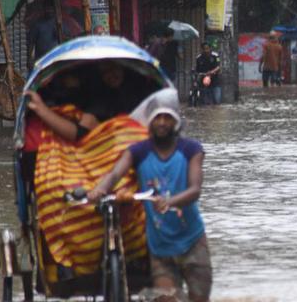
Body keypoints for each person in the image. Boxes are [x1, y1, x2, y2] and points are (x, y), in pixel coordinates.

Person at [88, 90, 212, 302]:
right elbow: (115, 173)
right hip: (160, 249)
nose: (162, 123)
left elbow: (194, 190)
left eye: (167, 118)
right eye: (157, 118)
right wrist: (99, 189)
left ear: (175, 122)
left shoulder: (192, 150)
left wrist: (169, 202)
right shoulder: (138, 151)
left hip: (192, 242)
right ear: (150, 122)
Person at [27, 0, 59, 70]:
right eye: (47, 8)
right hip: (41, 60)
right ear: (44, 9)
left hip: (56, 60)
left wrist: (59, 34)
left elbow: (67, 40)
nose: (49, 11)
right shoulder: (37, 24)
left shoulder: (59, 23)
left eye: (51, 9)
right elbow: (31, 42)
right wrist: (29, 58)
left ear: (55, 10)